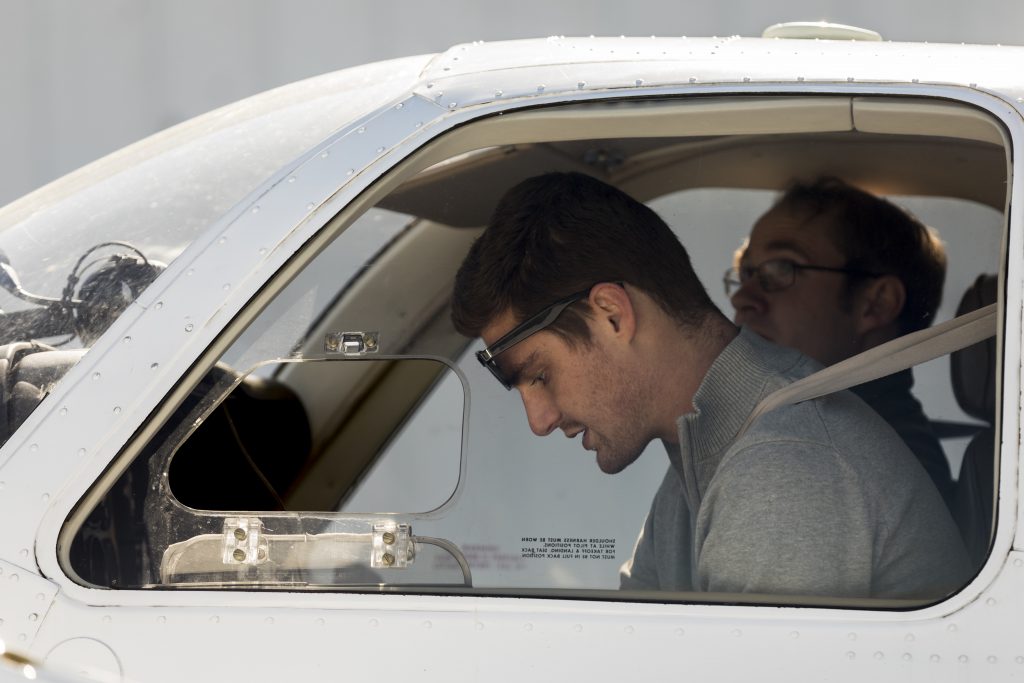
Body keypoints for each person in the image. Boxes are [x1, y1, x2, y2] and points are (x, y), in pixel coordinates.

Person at [451, 171, 969, 598]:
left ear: (611, 314)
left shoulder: (785, 462)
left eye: (540, 375)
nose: (538, 421)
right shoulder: (705, 454)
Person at [727, 178, 954, 509]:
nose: (742, 298)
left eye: (781, 269)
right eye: (746, 273)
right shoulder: (809, 435)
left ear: (876, 304)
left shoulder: (851, 465)